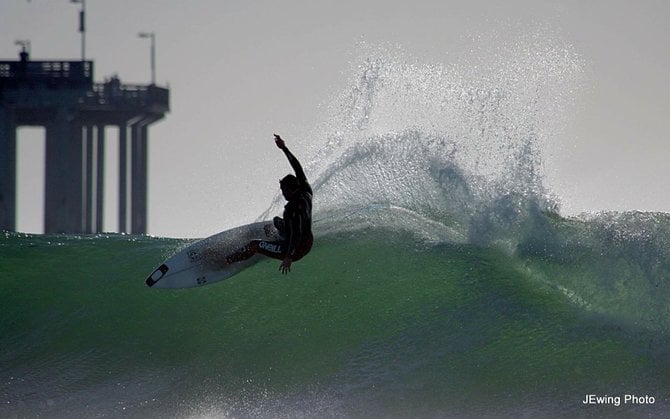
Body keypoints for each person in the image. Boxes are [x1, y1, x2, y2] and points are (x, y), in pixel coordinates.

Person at [225, 134, 313, 274]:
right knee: (277, 222)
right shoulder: (305, 190)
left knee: (254, 245)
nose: (283, 194)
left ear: (290, 189)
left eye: (284, 191)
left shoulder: (293, 208)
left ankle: (226, 261)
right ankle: (275, 240)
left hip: (295, 248)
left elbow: (296, 232)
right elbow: (298, 168)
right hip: (308, 241)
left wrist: (289, 256)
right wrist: (284, 148)